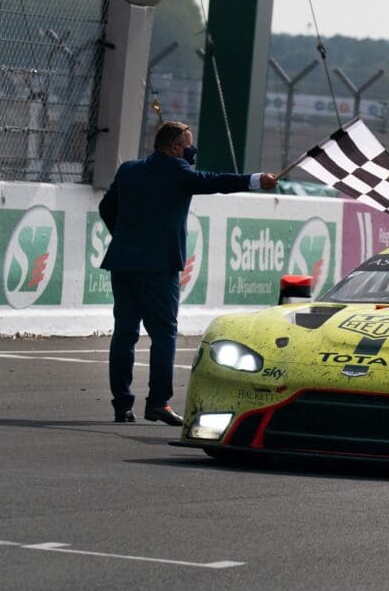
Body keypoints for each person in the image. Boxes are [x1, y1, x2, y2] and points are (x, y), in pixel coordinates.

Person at [100, 120, 278, 424]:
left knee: (124, 333)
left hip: (123, 262)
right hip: (159, 266)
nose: (191, 149)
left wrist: (126, 238)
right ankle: (158, 402)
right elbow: (215, 181)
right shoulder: (177, 171)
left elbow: (106, 207)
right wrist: (255, 179)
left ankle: (122, 405)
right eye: (187, 143)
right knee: (164, 333)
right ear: (174, 147)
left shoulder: (128, 169)